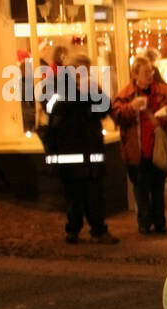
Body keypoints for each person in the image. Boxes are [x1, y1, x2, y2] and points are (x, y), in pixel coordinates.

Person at [48, 51, 117, 245]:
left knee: (95, 194)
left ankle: (98, 229)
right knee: (73, 196)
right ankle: (73, 229)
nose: (85, 74)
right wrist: (82, 96)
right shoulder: (58, 87)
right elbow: (54, 107)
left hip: (91, 150)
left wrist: (93, 94)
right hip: (69, 151)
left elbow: (105, 109)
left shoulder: (92, 88)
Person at [111, 56, 167, 235]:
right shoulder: (125, 94)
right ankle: (144, 223)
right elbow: (117, 116)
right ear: (135, 75)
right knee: (140, 188)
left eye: (151, 71)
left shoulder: (162, 91)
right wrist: (131, 107)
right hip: (136, 151)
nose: (150, 75)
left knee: (158, 187)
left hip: (157, 148)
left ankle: (160, 222)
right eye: (145, 72)